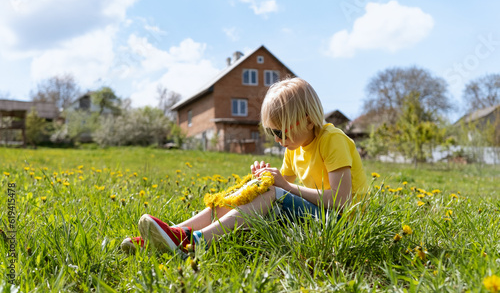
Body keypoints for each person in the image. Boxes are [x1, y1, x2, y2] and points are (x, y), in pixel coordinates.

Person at [121, 77, 368, 257]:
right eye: (272, 131)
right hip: (317, 214)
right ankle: (171, 233)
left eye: (280, 130)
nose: (277, 139)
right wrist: (264, 179)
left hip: (341, 223)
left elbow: (341, 200)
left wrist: (282, 185)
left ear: (307, 118)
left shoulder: (332, 139)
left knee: (271, 193)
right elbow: (282, 186)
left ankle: (194, 243)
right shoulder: (294, 145)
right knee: (257, 189)